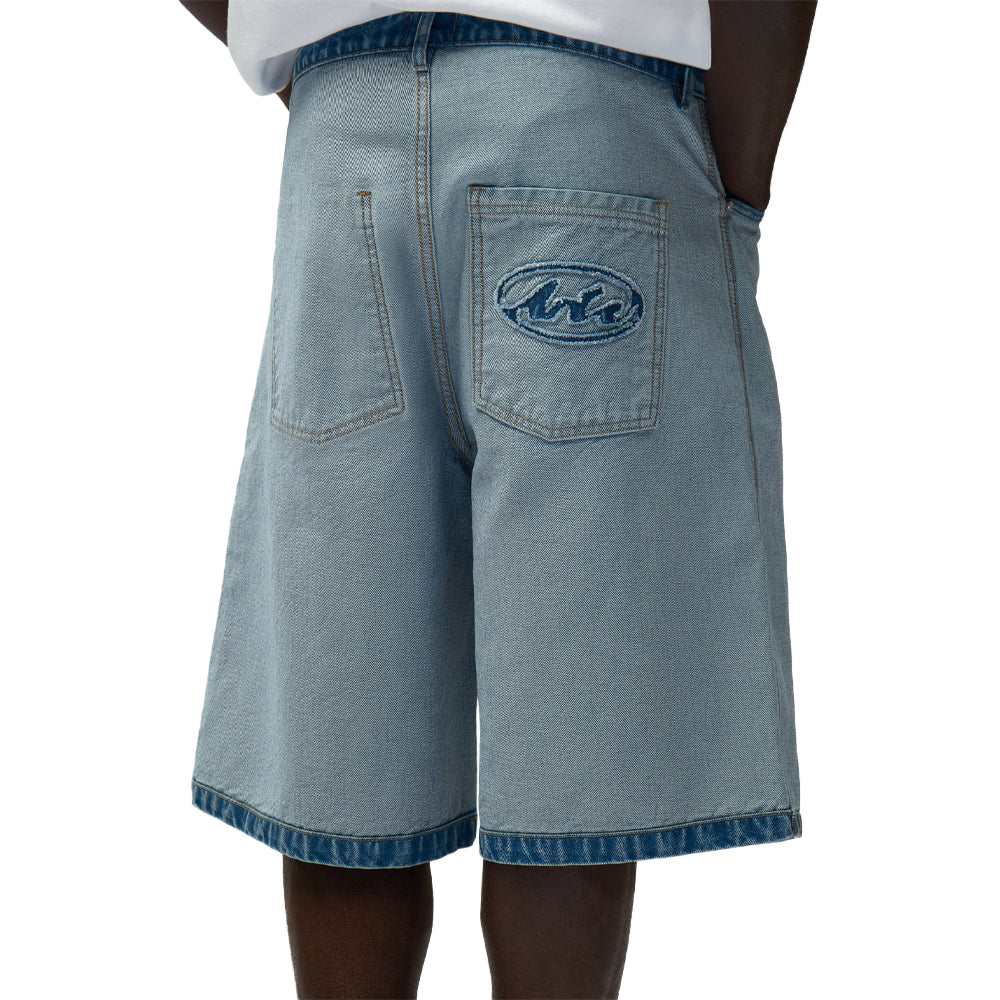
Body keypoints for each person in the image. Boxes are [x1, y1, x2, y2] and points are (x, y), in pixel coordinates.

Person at [181, 3, 817, 998]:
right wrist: (738, 176)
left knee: (347, 753)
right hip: (586, 114)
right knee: (571, 753)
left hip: (340, 139)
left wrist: (329, 64)